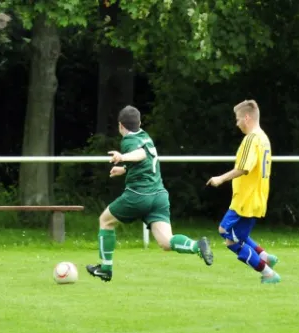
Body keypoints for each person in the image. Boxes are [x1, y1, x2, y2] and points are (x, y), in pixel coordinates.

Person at [86, 105, 213, 282]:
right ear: (139, 123)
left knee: (105, 221)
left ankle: (106, 268)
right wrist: (123, 169)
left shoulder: (129, 140)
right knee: (166, 242)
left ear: (120, 125)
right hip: (159, 196)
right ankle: (196, 246)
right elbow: (145, 160)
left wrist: (122, 157)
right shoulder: (145, 136)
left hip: (139, 195)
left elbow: (140, 155)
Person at [206, 99, 280, 284]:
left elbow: (244, 168)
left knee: (228, 235)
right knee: (238, 235)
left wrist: (220, 178)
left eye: (238, 119)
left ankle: (268, 272)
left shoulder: (251, 139)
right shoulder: (264, 138)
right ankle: (264, 256)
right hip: (256, 197)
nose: (237, 123)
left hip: (246, 199)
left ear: (247, 118)